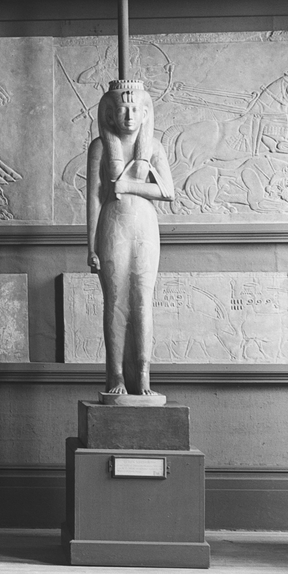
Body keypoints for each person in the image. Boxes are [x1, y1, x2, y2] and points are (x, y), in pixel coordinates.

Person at [86, 79, 173, 403]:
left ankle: (144, 374)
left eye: (135, 108)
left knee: (142, 301)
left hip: (144, 226)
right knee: (115, 301)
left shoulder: (154, 147)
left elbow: (168, 191)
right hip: (112, 225)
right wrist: (90, 245)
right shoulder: (99, 146)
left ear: (146, 112)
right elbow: (94, 198)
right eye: (122, 108)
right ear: (109, 112)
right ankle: (117, 374)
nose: (129, 115)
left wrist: (130, 187)